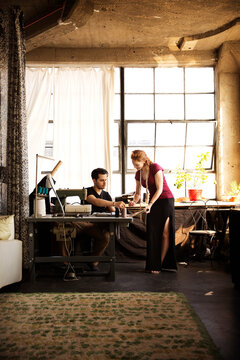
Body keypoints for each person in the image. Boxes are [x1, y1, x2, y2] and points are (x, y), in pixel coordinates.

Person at [129, 150, 177, 274]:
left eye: (137, 164)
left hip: (165, 200)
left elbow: (160, 189)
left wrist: (150, 204)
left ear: (144, 161)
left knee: (165, 233)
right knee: (153, 234)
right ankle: (153, 264)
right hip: (153, 202)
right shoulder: (138, 174)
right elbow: (138, 193)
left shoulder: (155, 167)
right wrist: (133, 201)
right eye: (134, 164)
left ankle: (159, 264)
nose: (135, 167)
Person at [74, 168, 125, 271]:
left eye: (106, 180)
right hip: (85, 224)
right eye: (101, 180)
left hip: (97, 225)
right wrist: (114, 203)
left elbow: (112, 210)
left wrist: (122, 207)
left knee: (106, 236)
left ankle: (93, 261)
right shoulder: (87, 191)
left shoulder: (106, 194)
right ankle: (65, 263)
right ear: (94, 180)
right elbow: (96, 201)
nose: (104, 183)